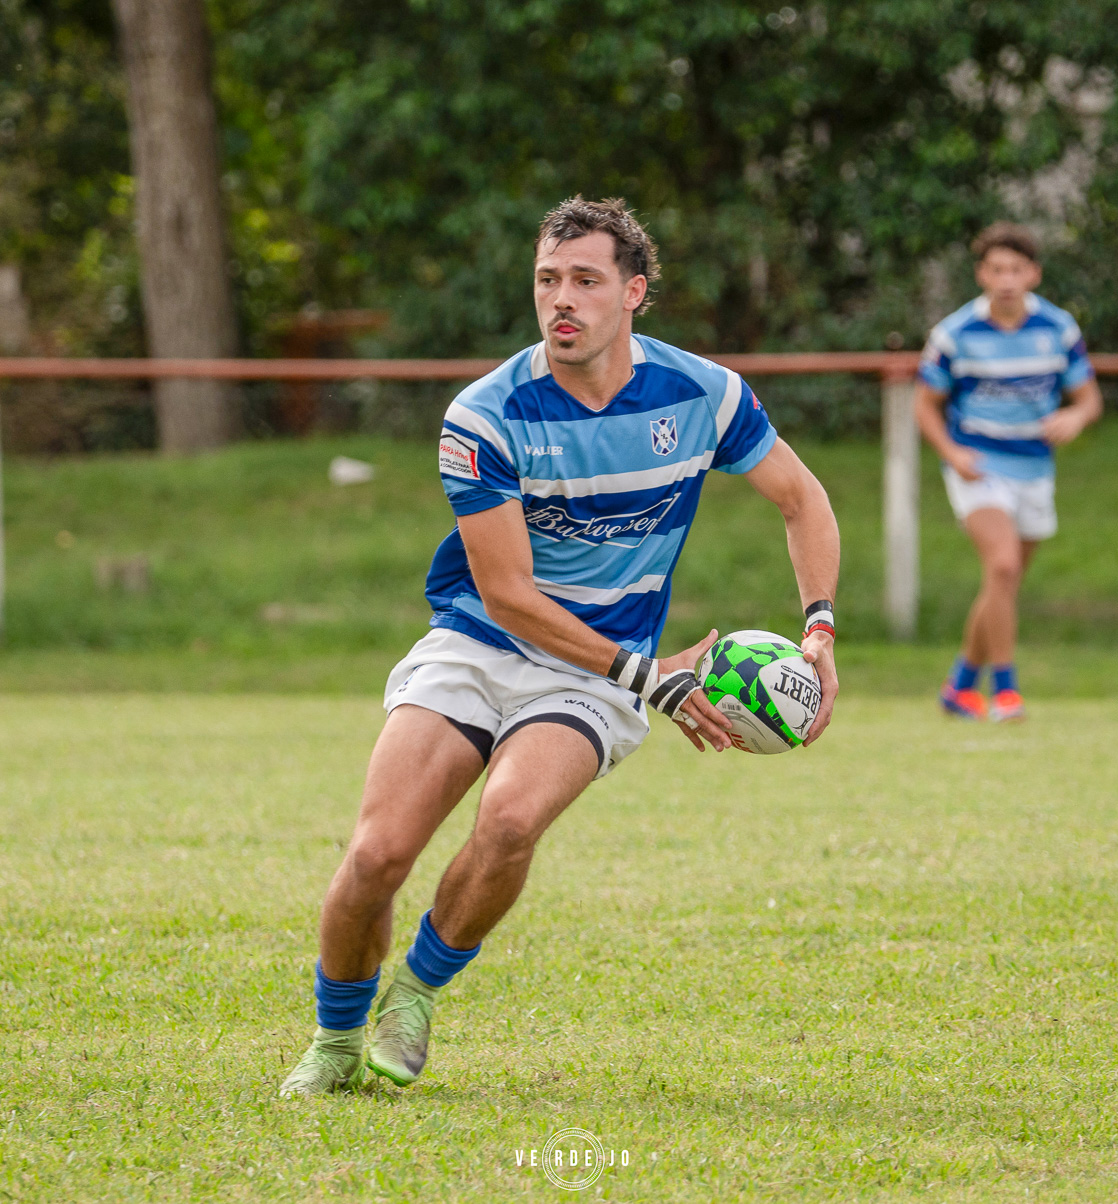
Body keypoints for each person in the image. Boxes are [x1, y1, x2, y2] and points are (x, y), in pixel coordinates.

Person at [279, 196, 842, 1096]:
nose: (562, 300)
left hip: (592, 677)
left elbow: (802, 498)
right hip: (478, 644)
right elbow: (507, 592)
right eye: (548, 280)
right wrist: (651, 675)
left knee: (509, 821)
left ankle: (415, 997)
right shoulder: (487, 413)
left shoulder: (702, 395)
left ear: (634, 293)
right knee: (378, 855)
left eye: (585, 280)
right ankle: (336, 1038)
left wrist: (817, 628)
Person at [915, 222, 1103, 723]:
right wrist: (952, 454)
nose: (1006, 279)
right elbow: (924, 406)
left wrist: (1074, 416)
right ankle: (1005, 692)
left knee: (1004, 584)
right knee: (1002, 567)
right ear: (981, 274)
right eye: (996, 269)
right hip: (978, 468)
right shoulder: (954, 334)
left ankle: (958, 686)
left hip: (1034, 470)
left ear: (1033, 274)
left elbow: (1089, 399)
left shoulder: (1058, 329)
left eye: (1016, 269)